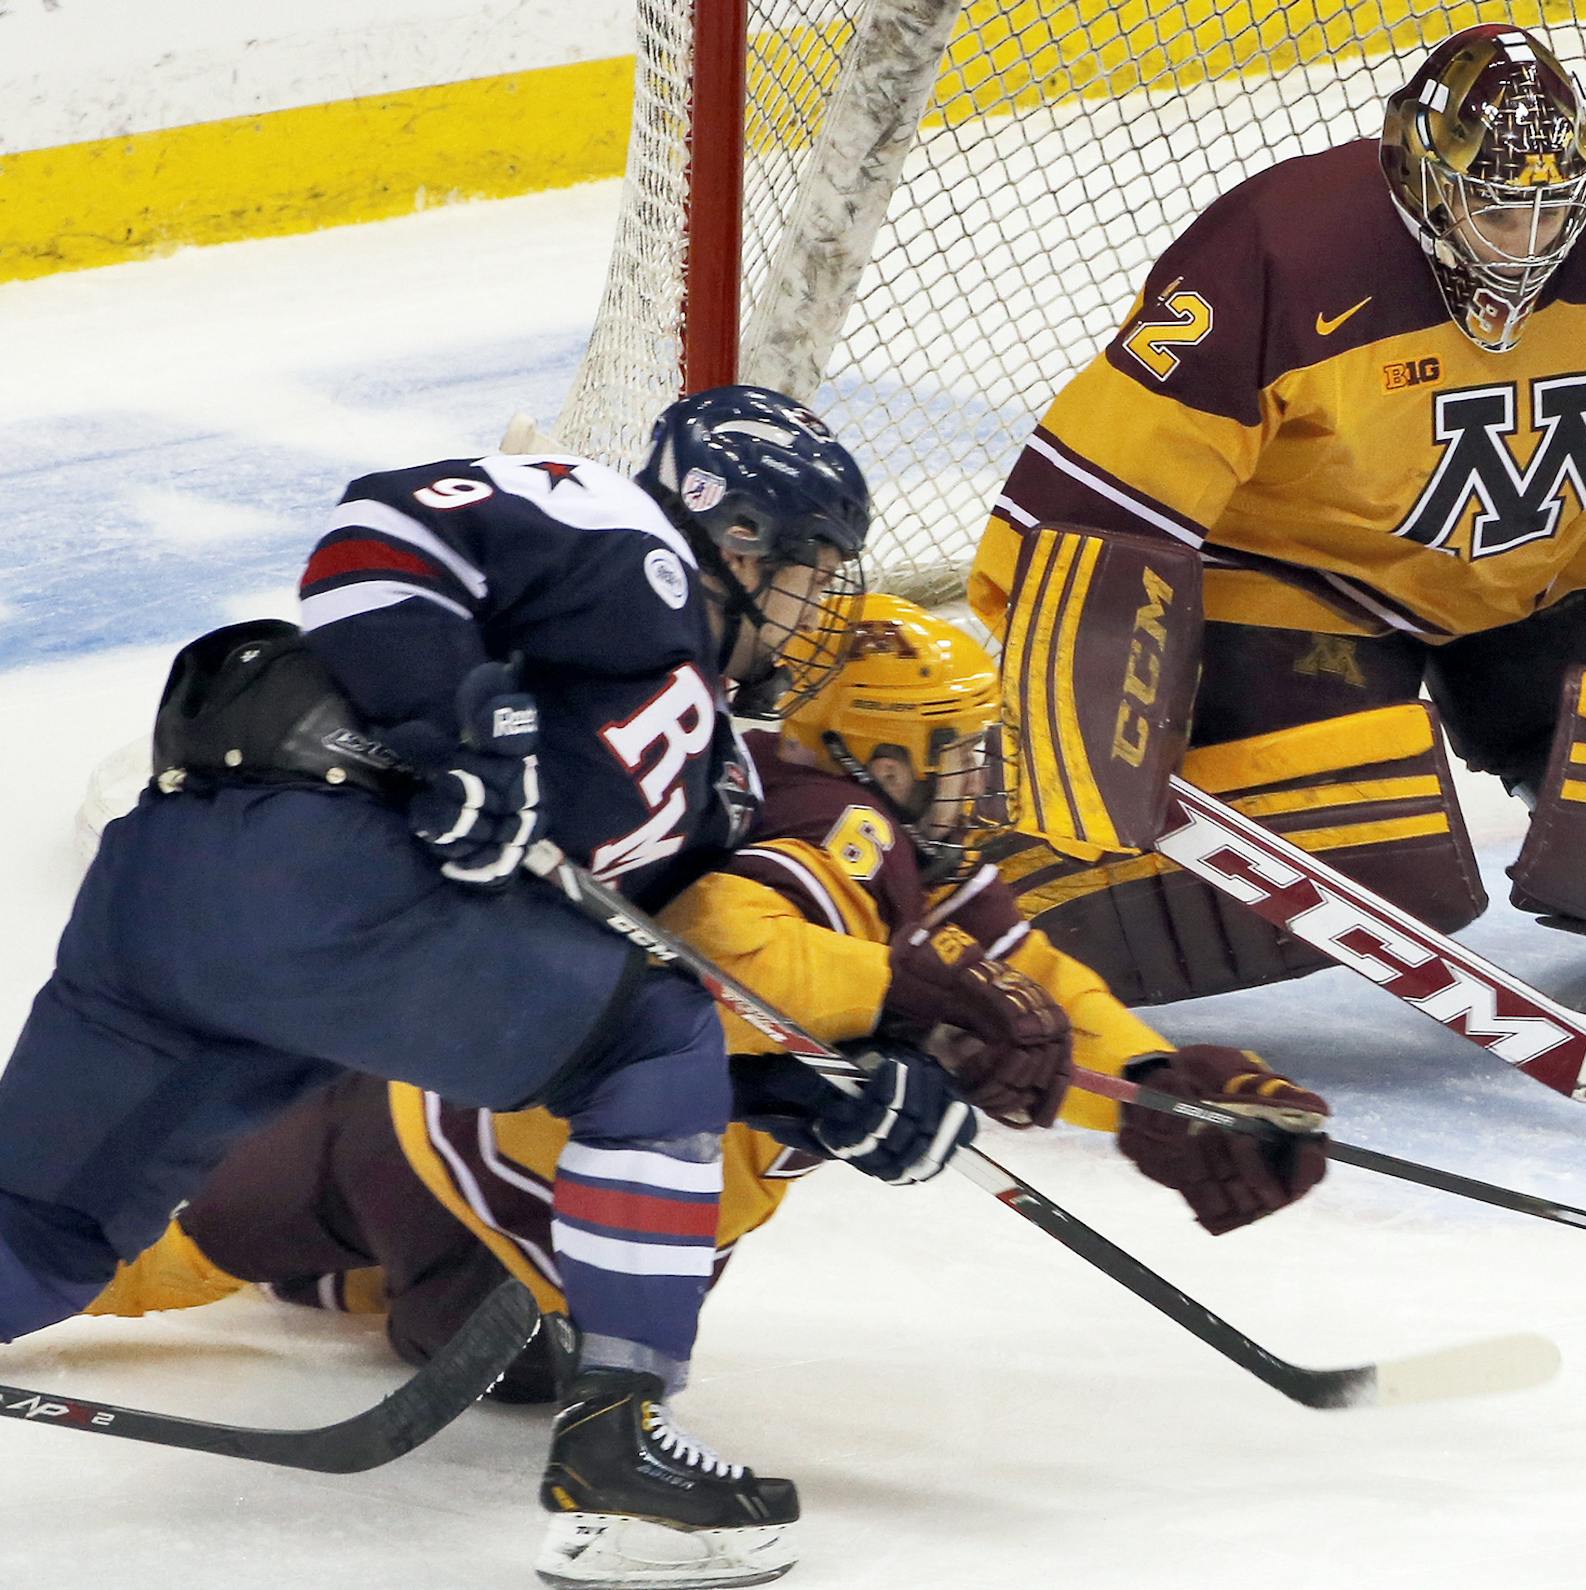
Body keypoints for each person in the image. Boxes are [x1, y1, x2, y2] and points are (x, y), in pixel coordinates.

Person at [0, 388, 1066, 1589]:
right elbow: (378, 537)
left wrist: (815, 1101)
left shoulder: (707, 770)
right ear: (743, 541)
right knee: (649, 1041)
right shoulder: (627, 542)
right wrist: (461, 730)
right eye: (812, 573)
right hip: (311, 850)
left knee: (43, 1233)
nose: (818, 612)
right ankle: (622, 1469)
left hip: (186, 919)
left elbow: (615, 1017)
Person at [86, 596, 1335, 1401]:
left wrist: (1156, 1091)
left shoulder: (905, 863)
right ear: (878, 752)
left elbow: (1032, 989)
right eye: (955, 753)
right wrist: (893, 997)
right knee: (216, 1242)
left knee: (208, 1234)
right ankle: (338, 1280)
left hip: (445, 1137)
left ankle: (335, 1282)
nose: (976, 781)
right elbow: (721, 956)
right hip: (502, 1180)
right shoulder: (831, 831)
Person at [969, 22, 1586, 1009]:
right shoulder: (1281, 254)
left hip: (1544, 561)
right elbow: (1100, 488)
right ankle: (983, 903)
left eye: (1551, 213)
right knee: (1374, 858)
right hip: (1300, 579)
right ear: (1422, 182)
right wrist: (1084, 660)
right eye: (1497, 214)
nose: (1526, 246)